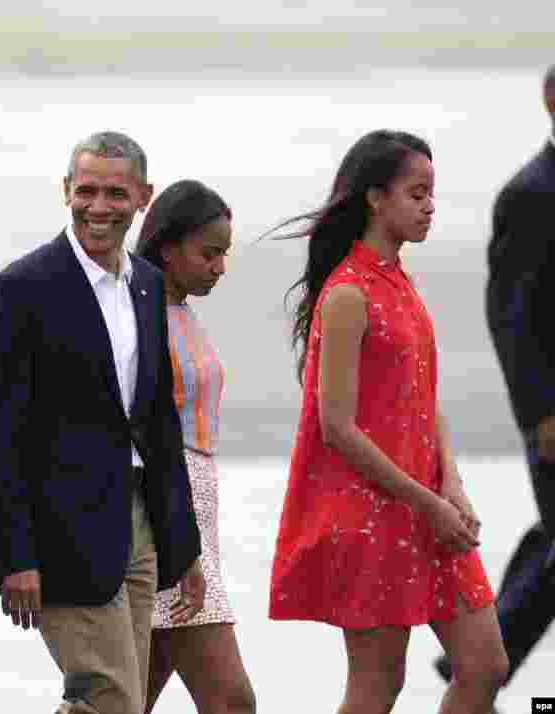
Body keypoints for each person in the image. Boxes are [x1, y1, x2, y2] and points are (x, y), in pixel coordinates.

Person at [267, 130, 508, 714]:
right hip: (371, 515)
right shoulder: (348, 292)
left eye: (432, 195)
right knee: (378, 689)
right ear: (376, 199)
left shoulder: (400, 282)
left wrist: (450, 484)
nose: (429, 207)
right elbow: (337, 427)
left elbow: (424, 399)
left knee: (485, 666)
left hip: (430, 509)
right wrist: (427, 502)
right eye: (417, 194)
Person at [0, 131, 205, 714]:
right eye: (87, 191)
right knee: (112, 698)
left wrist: (185, 544)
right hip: (59, 534)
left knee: (117, 701)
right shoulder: (21, 289)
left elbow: (155, 421)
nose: (99, 207)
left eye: (116, 193)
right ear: (66, 192)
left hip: (138, 525)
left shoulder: (147, 284)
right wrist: (12, 554)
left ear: (143, 197)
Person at [433, 64, 555, 693]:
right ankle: (477, 670)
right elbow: (511, 315)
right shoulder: (531, 193)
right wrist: (540, 414)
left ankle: (476, 663)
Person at [134, 180, 256, 714]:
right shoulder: (135, 314)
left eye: (224, 253)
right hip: (166, 507)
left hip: (198, 502)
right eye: (209, 253)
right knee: (231, 701)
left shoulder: (181, 310)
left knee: (125, 700)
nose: (220, 266)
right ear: (167, 245)